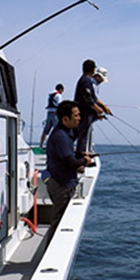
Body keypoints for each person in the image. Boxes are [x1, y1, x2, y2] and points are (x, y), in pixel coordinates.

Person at [45, 100, 92, 228]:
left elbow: (65, 155)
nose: (79, 118)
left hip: (60, 182)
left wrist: (80, 155)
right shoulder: (61, 136)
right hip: (62, 186)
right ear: (65, 119)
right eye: (76, 115)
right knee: (58, 223)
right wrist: (85, 161)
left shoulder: (63, 133)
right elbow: (70, 162)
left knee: (59, 220)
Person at [73, 59, 111, 155]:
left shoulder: (87, 81)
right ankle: (80, 155)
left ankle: (82, 154)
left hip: (86, 113)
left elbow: (94, 98)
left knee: (82, 134)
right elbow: (89, 99)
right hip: (83, 113)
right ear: (93, 70)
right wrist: (98, 110)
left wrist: (103, 107)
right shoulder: (85, 81)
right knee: (81, 134)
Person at [39, 83, 64, 147]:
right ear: (60, 89)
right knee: (58, 130)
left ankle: (41, 145)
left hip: (49, 113)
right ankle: (58, 145)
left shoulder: (51, 95)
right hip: (55, 113)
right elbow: (59, 105)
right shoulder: (58, 95)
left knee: (46, 130)